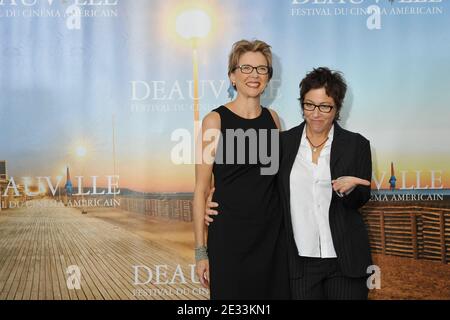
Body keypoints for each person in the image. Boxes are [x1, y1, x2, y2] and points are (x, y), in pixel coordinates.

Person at [206, 67, 372, 300]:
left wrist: (353, 189)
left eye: (325, 106)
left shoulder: (356, 145)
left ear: (337, 108)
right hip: (299, 265)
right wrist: (214, 200)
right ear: (302, 104)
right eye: (309, 105)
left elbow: (361, 200)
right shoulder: (283, 143)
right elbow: (257, 184)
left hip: (345, 261)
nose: (316, 113)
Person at [193, 39, 290, 300]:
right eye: (246, 68)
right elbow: (201, 189)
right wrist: (201, 252)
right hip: (229, 239)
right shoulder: (214, 121)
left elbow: (275, 179)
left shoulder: (273, 119)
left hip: (271, 237)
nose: (254, 75)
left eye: (262, 69)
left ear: (269, 77)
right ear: (232, 76)